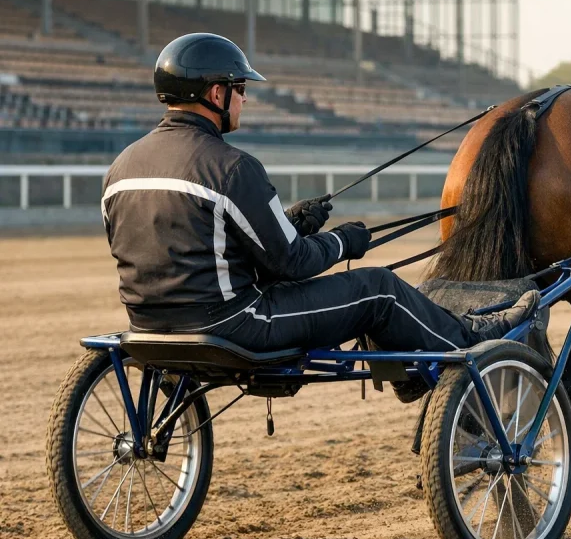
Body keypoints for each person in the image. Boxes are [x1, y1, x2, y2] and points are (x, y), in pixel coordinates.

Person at [101, 32, 537, 354]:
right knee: (379, 287)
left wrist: (288, 223)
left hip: (146, 324)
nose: (245, 101)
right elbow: (292, 263)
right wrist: (343, 241)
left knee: (369, 285)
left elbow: (197, 242)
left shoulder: (120, 168)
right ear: (216, 93)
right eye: (241, 89)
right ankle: (473, 338)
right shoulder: (233, 168)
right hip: (236, 324)